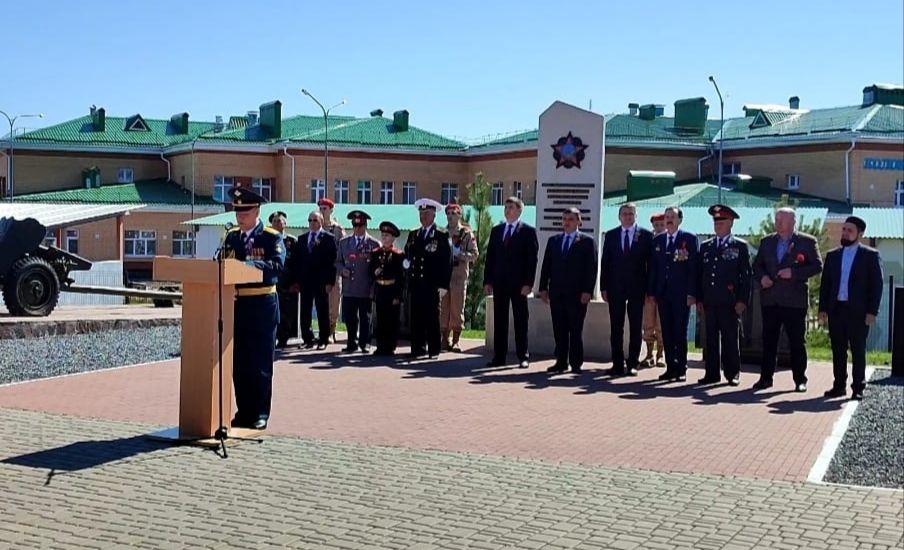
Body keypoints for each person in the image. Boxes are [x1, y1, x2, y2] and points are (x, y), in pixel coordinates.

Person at [221, 187, 285, 431]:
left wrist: (245, 266)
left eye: (245, 211)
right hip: (237, 306)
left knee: (259, 363)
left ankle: (260, 412)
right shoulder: (231, 237)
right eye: (237, 211)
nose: (240, 216)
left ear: (257, 210)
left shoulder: (271, 237)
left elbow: (276, 266)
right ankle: (243, 410)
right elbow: (223, 264)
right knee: (240, 363)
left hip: (262, 306)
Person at [751, 207, 822, 392]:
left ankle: (800, 379)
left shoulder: (806, 242)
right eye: (777, 220)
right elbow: (757, 266)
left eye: (782, 220)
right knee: (769, 341)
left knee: (796, 342)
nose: (778, 224)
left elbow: (817, 266)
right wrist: (762, 278)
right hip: (770, 299)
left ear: (792, 222)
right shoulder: (767, 242)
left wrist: (794, 273)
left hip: (794, 301)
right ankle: (766, 378)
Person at [819, 216, 883, 401]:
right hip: (836, 309)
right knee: (838, 350)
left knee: (857, 350)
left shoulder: (870, 256)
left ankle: (858, 387)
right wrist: (823, 308)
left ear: (859, 234)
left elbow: (876, 285)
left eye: (850, 230)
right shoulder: (833, 256)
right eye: (844, 229)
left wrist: (872, 311)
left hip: (859, 312)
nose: (845, 233)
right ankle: (839, 385)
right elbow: (826, 285)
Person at [696, 205, 751, 386]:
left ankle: (732, 373)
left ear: (730, 223)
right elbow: (700, 274)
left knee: (730, 340)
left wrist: (743, 300)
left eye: (722, 222)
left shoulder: (739, 246)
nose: (718, 225)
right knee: (710, 340)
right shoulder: (706, 246)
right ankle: (711, 373)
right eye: (715, 222)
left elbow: (746, 276)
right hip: (710, 300)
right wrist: (699, 299)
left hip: (730, 302)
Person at [538, 208, 597, 374]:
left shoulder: (587, 241)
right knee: (559, 329)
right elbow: (546, 266)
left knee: (575, 329)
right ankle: (561, 362)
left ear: (579, 221)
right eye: (564, 219)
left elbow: (591, 268)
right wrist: (543, 287)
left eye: (570, 219)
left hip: (577, 294)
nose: (566, 222)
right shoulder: (554, 240)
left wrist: (588, 291)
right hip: (557, 293)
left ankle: (576, 363)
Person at [484, 196, 539, 369]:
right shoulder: (497, 230)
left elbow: (532, 260)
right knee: (500, 321)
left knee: (520, 320)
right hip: (500, 283)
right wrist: (488, 281)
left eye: (511, 207)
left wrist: (528, 283)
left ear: (519, 211)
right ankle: (499, 357)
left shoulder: (528, 231)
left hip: (519, 285)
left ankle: (523, 355)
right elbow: (490, 258)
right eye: (506, 207)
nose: (507, 210)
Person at [600, 203, 653, 376]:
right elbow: (605, 263)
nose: (628, 216)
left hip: (637, 288)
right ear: (619, 216)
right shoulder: (611, 235)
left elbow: (650, 265)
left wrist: (649, 289)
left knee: (636, 327)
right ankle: (617, 363)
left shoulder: (645, 235)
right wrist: (603, 287)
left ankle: (632, 363)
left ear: (636, 216)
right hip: (615, 288)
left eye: (631, 214)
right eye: (624, 214)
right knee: (616, 327)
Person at [647, 206, 698, 382]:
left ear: (680, 220)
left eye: (672, 217)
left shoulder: (689, 239)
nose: (669, 220)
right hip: (663, 294)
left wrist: (692, 293)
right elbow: (654, 268)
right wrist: (652, 291)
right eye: (667, 216)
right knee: (667, 332)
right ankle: (671, 367)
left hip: (681, 294)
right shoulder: (658, 240)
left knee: (679, 332)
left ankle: (681, 367)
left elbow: (693, 269)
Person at [404, 198, 453, 359]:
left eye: (426, 213)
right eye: (421, 213)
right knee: (416, 317)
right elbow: (407, 256)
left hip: (432, 284)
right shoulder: (413, 234)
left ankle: (434, 349)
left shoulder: (440, 234)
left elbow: (447, 261)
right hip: (416, 282)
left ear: (433, 215)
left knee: (432, 317)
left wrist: (444, 285)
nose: (423, 217)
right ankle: (417, 348)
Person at [290, 210, 337, 350]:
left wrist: (330, 282)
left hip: (321, 282)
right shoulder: (302, 239)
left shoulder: (328, 238)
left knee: (322, 310)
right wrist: (296, 281)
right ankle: (307, 339)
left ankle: (323, 339)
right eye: (310, 220)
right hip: (305, 282)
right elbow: (297, 262)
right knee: (305, 311)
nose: (312, 223)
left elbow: (332, 262)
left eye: (315, 220)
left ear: (321, 221)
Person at [336, 210, 380, 353]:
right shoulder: (344, 243)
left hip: (365, 287)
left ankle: (365, 343)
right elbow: (337, 262)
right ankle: (351, 342)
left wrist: (373, 288)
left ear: (365, 226)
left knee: (365, 317)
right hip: (349, 287)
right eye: (355, 226)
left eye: (360, 226)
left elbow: (377, 267)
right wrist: (342, 270)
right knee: (350, 317)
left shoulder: (373, 244)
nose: (357, 229)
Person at [440, 202, 479, 352]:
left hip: (458, 275)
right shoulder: (442, 233)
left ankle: (456, 340)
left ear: (459, 215)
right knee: (443, 307)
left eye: (453, 214)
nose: (450, 217)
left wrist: (460, 254)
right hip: (444, 274)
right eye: (448, 214)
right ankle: (444, 338)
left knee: (457, 307)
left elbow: (475, 255)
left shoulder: (466, 234)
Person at [370, 221, 406, 356]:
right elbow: (370, 272)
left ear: (393, 238)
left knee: (392, 319)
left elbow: (401, 278)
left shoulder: (398, 255)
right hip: (380, 289)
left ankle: (390, 346)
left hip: (392, 290)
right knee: (380, 319)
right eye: (383, 235)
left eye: (387, 235)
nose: (384, 237)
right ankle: (380, 345)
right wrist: (375, 272)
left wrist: (398, 296)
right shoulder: (375, 253)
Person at [270, 211, 298, 349]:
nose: (277, 223)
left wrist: (297, 282)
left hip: (289, 283)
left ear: (285, 223)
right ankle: (273, 338)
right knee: (273, 313)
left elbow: (298, 263)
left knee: (287, 314)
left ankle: (283, 339)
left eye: (279, 221)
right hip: (273, 282)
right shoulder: (267, 239)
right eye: (274, 221)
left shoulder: (292, 241)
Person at [318, 198, 346, 343]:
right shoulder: (317, 227)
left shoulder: (337, 229)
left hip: (334, 270)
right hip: (321, 271)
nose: (322, 211)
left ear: (331, 210)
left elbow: (344, 248)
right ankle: (323, 331)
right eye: (321, 208)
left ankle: (331, 330)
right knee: (321, 302)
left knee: (334, 302)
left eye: (325, 208)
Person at [642, 213, 667, 367]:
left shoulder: (670, 241)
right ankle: (649, 354)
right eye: (656, 225)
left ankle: (660, 354)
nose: (658, 228)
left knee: (661, 323)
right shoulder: (648, 242)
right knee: (648, 322)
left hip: (664, 289)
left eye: (661, 225)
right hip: (648, 289)